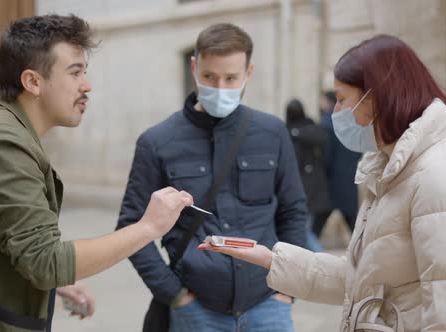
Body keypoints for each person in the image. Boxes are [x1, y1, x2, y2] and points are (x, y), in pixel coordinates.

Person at [199, 34, 446, 331]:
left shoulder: (443, 177)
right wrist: (270, 258)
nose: (336, 112)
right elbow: (361, 278)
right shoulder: (394, 171)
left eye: (342, 99)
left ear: (378, 96)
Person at [0, 14, 193, 331]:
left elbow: (11, 246)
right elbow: (45, 261)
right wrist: (148, 227)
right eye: (75, 72)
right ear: (33, 82)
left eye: (85, 72)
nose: (87, 85)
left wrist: (55, 286)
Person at [116, 23, 307, 331]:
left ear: (248, 72)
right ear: (194, 67)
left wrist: (289, 288)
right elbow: (130, 226)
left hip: (269, 305)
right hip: (197, 311)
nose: (220, 87)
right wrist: (174, 295)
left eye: (231, 78)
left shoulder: (272, 133)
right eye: (209, 76)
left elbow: (294, 212)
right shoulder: (157, 141)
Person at [285, 98, 330, 252]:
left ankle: (322, 258)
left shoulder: (306, 129)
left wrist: (295, 132)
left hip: (307, 191)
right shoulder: (288, 132)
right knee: (303, 230)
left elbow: (319, 137)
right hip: (306, 191)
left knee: (303, 231)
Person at [315, 91, 362, 237]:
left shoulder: (325, 124)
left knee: (314, 229)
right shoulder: (352, 124)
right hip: (348, 180)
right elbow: (358, 151)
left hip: (330, 183)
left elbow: (325, 156)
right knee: (355, 229)